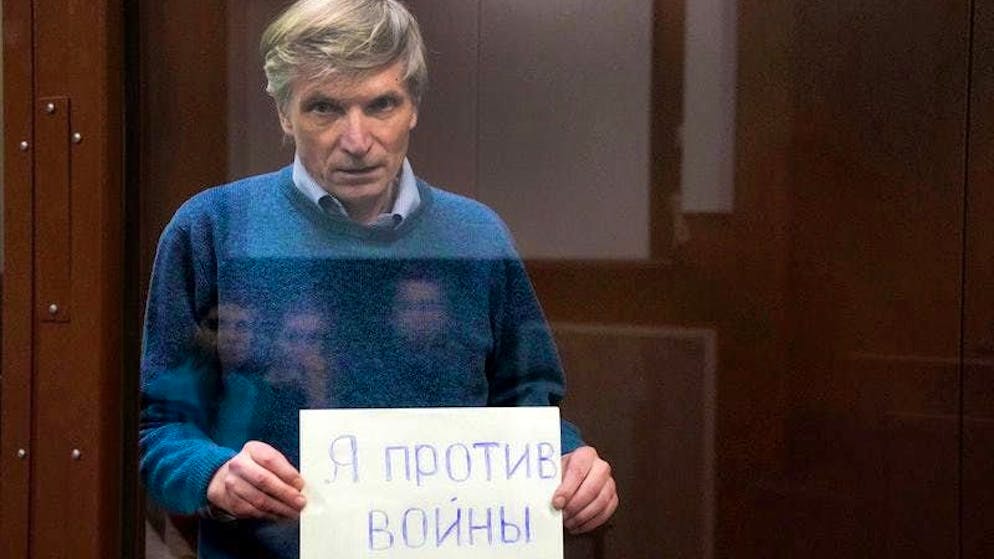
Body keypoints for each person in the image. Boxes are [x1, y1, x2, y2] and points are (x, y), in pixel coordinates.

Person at [139, 0, 618, 556]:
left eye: (382, 104)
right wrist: (212, 474)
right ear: (283, 113)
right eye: (324, 109)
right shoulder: (212, 231)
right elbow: (161, 428)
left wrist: (573, 466)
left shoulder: (477, 239)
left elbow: (528, 408)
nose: (358, 139)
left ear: (412, 106)